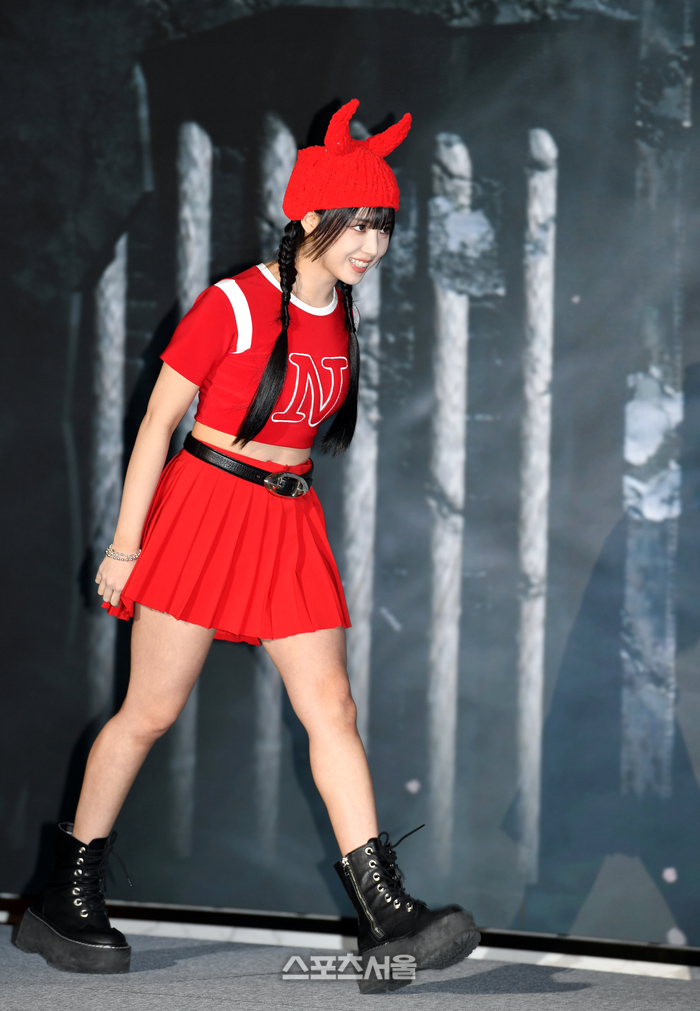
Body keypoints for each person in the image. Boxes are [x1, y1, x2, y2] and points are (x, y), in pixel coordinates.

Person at [17, 99, 479, 993]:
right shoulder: (232, 304)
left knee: (332, 708)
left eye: (383, 225)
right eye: (358, 223)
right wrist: (125, 546)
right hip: (205, 509)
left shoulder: (339, 308)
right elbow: (157, 424)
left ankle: (385, 914)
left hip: (288, 520)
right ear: (307, 215)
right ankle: (63, 900)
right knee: (149, 712)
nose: (373, 244)